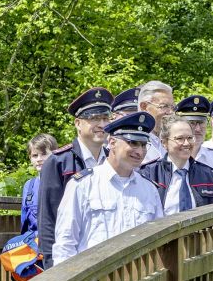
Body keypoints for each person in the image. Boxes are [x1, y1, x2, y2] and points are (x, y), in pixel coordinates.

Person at [52, 113, 164, 264]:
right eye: (133, 143)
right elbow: (65, 243)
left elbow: (158, 240)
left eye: (144, 145)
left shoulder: (149, 189)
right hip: (93, 275)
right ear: (112, 142)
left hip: (138, 275)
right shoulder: (83, 184)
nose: (139, 151)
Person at [38, 87, 114, 267]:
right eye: (94, 118)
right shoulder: (58, 162)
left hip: (108, 256)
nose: (102, 124)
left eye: (105, 118)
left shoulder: (113, 160)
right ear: (78, 123)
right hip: (71, 259)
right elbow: (47, 218)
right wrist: (51, 265)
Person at [139, 116, 213, 213]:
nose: (186, 143)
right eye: (180, 138)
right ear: (164, 143)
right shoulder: (150, 174)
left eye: (190, 138)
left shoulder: (205, 174)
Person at [20, 133, 58, 234]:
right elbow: (24, 224)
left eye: (44, 154)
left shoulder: (64, 182)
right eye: (35, 155)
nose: (39, 159)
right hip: (33, 240)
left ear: (56, 155)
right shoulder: (29, 186)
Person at [138, 80, 175, 162]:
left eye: (172, 107)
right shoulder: (132, 142)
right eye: (164, 106)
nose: (171, 112)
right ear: (144, 107)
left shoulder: (173, 141)